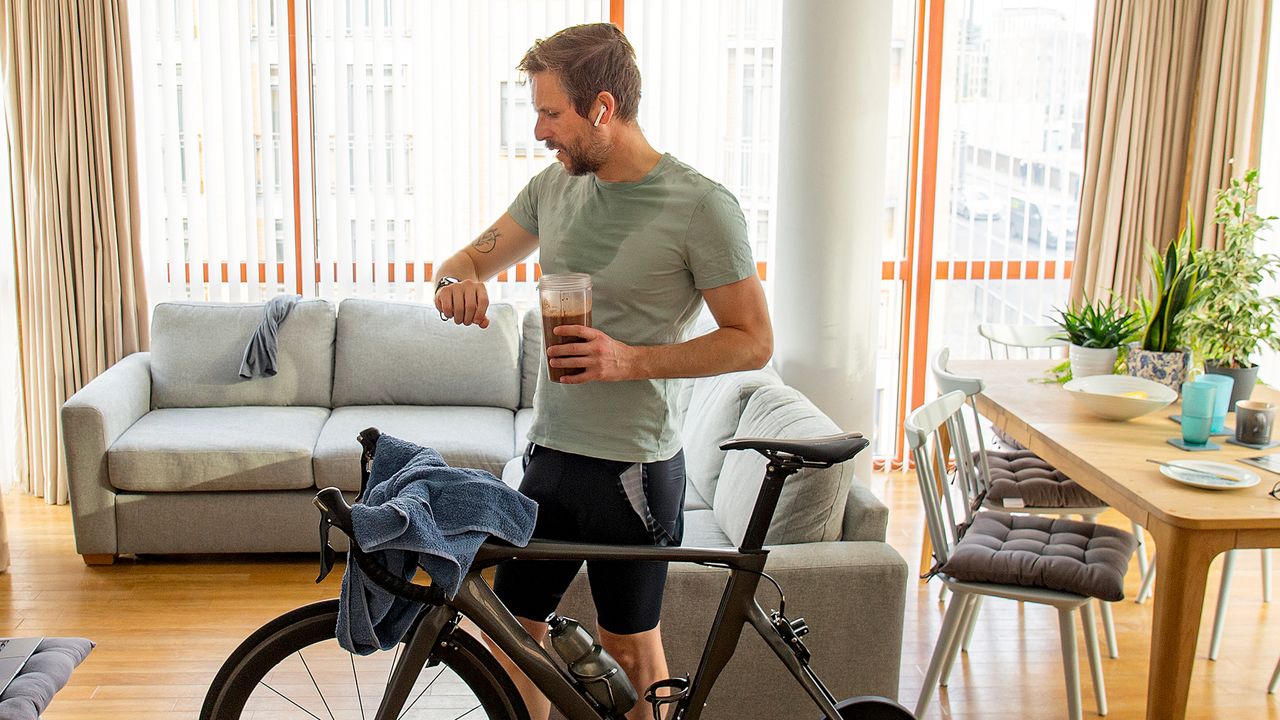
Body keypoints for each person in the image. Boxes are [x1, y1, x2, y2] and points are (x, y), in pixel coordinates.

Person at [433, 23, 772, 720]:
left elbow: (753, 341)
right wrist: (455, 281)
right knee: (512, 635)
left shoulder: (701, 206)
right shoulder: (552, 189)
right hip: (551, 455)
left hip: (632, 472)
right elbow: (467, 258)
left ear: (603, 108)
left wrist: (630, 360)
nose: (538, 130)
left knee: (628, 649)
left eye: (550, 112)